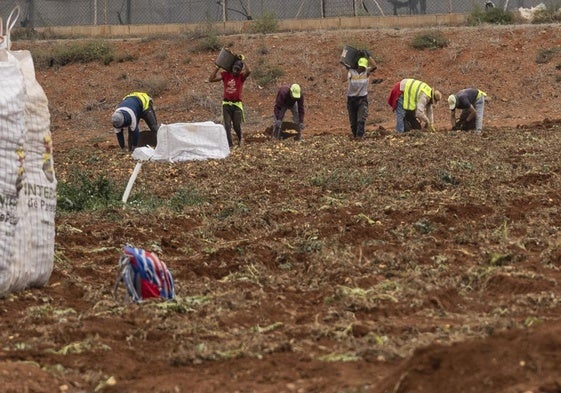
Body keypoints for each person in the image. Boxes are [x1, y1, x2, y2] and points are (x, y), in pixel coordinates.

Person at [209, 56, 251, 148]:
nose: (236, 71)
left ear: (240, 70)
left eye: (238, 70)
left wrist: (243, 61)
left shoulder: (241, 77)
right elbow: (211, 79)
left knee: (236, 126)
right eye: (235, 69)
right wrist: (217, 67)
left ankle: (240, 139)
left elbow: (248, 71)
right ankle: (230, 145)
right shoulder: (225, 75)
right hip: (226, 104)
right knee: (227, 126)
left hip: (237, 105)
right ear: (232, 67)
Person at [345, 55, 377, 140]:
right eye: (360, 66)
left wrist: (369, 56)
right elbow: (344, 77)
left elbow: (375, 66)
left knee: (361, 120)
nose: (362, 68)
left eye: (363, 67)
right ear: (357, 65)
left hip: (362, 99)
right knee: (353, 123)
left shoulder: (366, 72)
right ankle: (355, 136)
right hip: (351, 99)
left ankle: (360, 137)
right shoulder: (351, 72)